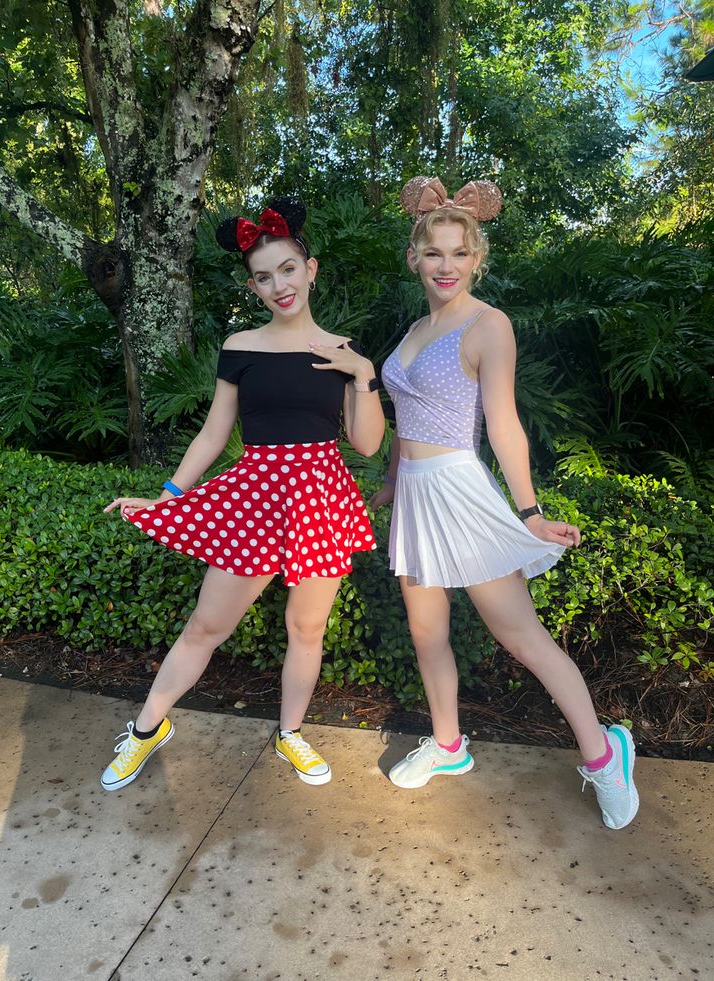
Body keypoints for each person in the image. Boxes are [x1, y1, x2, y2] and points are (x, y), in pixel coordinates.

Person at [371, 176, 638, 830]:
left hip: (462, 495)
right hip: (414, 499)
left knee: (521, 636)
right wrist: (390, 480)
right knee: (427, 632)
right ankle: (448, 744)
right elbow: (406, 416)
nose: (446, 266)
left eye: (459, 254)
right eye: (434, 253)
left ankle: (607, 756)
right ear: (415, 257)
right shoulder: (411, 328)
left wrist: (529, 512)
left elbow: (504, 423)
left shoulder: (490, 325)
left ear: (477, 258)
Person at [102, 198, 384, 791]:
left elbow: (365, 445)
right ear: (253, 286)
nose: (278, 285)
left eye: (287, 269)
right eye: (263, 276)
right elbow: (213, 431)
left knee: (307, 629)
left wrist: (361, 375)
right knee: (207, 625)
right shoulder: (242, 345)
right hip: (254, 497)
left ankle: (290, 734)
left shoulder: (342, 348)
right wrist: (169, 496)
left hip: (321, 501)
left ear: (310, 270)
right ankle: (148, 728)